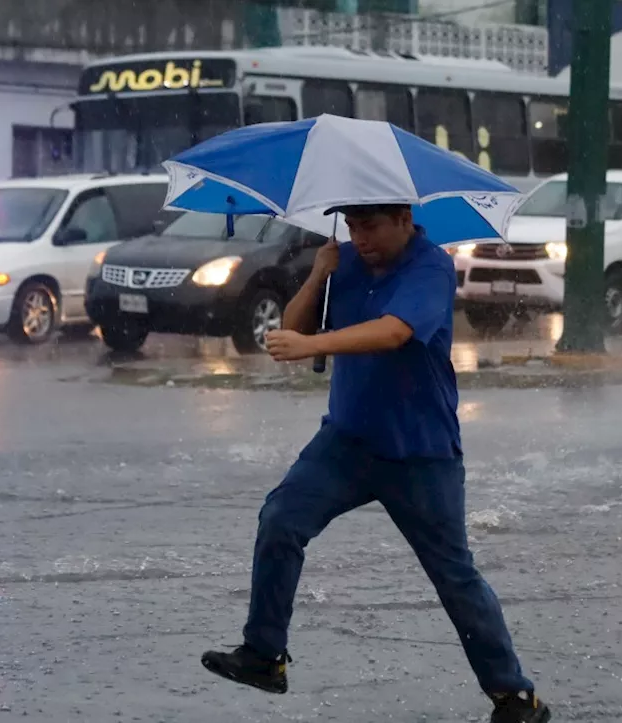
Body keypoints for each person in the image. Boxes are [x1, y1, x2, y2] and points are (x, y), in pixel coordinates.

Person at [200, 204, 551, 723]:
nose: (359, 238)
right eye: (353, 226)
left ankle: (515, 697)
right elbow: (287, 336)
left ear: (404, 219)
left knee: (454, 576)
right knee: (280, 521)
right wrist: (319, 273)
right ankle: (264, 656)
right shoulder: (341, 262)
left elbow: (393, 333)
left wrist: (315, 343)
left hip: (419, 450)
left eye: (371, 226)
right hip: (347, 440)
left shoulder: (430, 267)